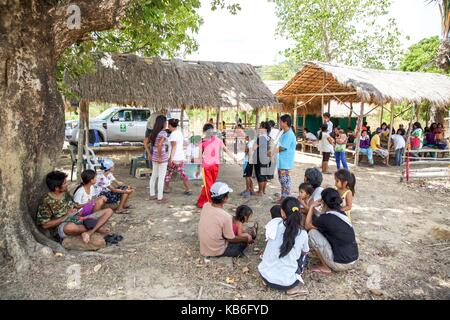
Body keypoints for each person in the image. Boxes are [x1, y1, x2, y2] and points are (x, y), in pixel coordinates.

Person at [37, 171, 113, 244]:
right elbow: (45, 225)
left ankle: (90, 231)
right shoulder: (46, 201)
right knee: (69, 227)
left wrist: (82, 208)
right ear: (57, 188)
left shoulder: (65, 193)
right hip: (64, 225)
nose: (67, 184)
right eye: (64, 183)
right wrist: (65, 217)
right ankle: (97, 227)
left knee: (108, 211)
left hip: (78, 218)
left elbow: (75, 206)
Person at [258, 197, 309, 295]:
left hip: (264, 275)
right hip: (287, 283)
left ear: (282, 212)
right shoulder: (302, 234)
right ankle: (292, 289)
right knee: (304, 256)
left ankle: (267, 281)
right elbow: (305, 252)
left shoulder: (274, 224)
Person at [305, 188, 359, 274]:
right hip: (353, 259)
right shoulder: (341, 213)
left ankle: (325, 267)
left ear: (323, 202)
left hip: (341, 264)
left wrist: (311, 207)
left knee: (312, 233)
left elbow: (307, 226)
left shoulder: (326, 218)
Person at [198, 182, 253, 257]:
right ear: (224, 198)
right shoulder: (226, 216)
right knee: (244, 241)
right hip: (217, 251)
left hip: (204, 248)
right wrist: (246, 239)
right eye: (227, 195)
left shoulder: (206, 205)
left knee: (235, 233)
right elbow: (230, 239)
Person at [196, 124, 237, 208]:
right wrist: (197, 168)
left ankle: (201, 202)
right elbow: (199, 157)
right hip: (207, 167)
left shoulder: (217, 140)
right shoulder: (202, 142)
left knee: (209, 185)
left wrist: (234, 158)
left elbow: (225, 149)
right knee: (209, 186)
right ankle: (212, 204)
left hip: (215, 166)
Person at [164, 118, 192, 196]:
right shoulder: (179, 133)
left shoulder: (173, 134)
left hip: (174, 158)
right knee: (183, 174)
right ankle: (188, 188)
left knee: (168, 173)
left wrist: (170, 159)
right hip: (181, 157)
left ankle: (167, 188)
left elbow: (174, 147)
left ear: (169, 125)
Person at [275, 114, 297, 203]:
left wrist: (272, 151)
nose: (279, 123)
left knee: (285, 180)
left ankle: (285, 198)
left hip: (285, 162)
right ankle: (283, 197)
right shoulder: (284, 132)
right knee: (282, 180)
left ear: (285, 123)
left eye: (280, 121)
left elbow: (283, 147)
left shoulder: (289, 134)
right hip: (282, 161)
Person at [148, 115, 169, 204]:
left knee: (154, 175)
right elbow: (160, 145)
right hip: (161, 158)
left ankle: (152, 194)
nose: (166, 123)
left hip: (154, 157)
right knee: (161, 177)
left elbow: (148, 142)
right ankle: (160, 198)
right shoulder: (163, 133)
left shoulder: (154, 132)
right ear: (163, 123)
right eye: (166, 122)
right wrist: (160, 157)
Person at [254, 121, 272, 196]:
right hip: (266, 157)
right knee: (264, 174)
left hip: (260, 157)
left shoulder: (261, 137)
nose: (259, 128)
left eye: (261, 127)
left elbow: (254, 147)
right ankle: (263, 191)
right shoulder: (268, 137)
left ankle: (260, 191)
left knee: (260, 174)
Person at [241, 129, 256, 198]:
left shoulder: (250, 143)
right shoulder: (252, 142)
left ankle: (247, 190)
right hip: (249, 161)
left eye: (246, 135)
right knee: (249, 176)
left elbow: (249, 152)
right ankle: (251, 190)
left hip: (248, 161)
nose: (244, 137)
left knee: (247, 177)